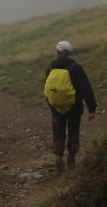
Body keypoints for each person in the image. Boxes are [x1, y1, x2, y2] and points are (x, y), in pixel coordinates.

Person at [44, 40, 97, 174]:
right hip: (74, 108)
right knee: (73, 131)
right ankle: (71, 160)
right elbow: (86, 88)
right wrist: (92, 108)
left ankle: (59, 159)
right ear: (69, 53)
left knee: (58, 133)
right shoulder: (75, 68)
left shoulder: (50, 68)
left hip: (56, 109)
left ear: (57, 52)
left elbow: (48, 90)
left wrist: (52, 105)